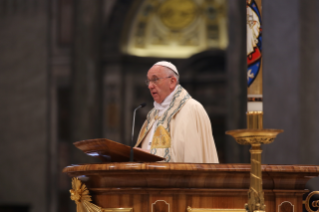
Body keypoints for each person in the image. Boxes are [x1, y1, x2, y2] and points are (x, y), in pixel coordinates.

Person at [135, 61, 219, 163]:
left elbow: (190, 157)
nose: (150, 86)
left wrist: (148, 154)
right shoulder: (153, 115)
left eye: (155, 79)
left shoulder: (191, 109)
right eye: (148, 81)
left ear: (172, 82)